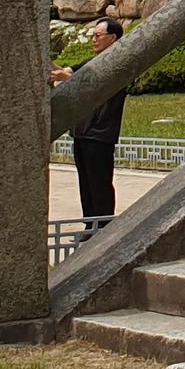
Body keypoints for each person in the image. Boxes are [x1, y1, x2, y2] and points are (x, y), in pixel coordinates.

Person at [67, 19, 126, 220]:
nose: (93, 40)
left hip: (100, 133)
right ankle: (89, 224)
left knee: (99, 182)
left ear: (112, 38)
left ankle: (102, 226)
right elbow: (73, 71)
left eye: (97, 36)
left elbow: (91, 81)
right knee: (85, 182)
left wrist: (67, 77)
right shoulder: (93, 62)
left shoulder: (118, 62)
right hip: (82, 132)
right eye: (92, 35)